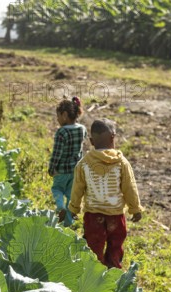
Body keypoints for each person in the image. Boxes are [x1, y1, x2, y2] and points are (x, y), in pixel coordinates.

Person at [68, 119, 143, 269]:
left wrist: (74, 208)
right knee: (115, 244)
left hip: (93, 215)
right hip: (115, 214)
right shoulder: (121, 163)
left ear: (91, 140)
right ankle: (113, 270)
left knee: (94, 247)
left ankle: (94, 274)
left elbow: (77, 189)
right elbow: (130, 187)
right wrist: (135, 208)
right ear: (113, 137)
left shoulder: (83, 164)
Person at [48, 97, 87, 226]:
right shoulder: (82, 129)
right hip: (75, 170)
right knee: (71, 197)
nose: (57, 119)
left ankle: (60, 207)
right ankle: (68, 224)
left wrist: (52, 168)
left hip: (61, 171)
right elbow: (81, 150)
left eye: (58, 116)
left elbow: (57, 154)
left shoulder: (62, 132)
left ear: (64, 115)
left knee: (57, 189)